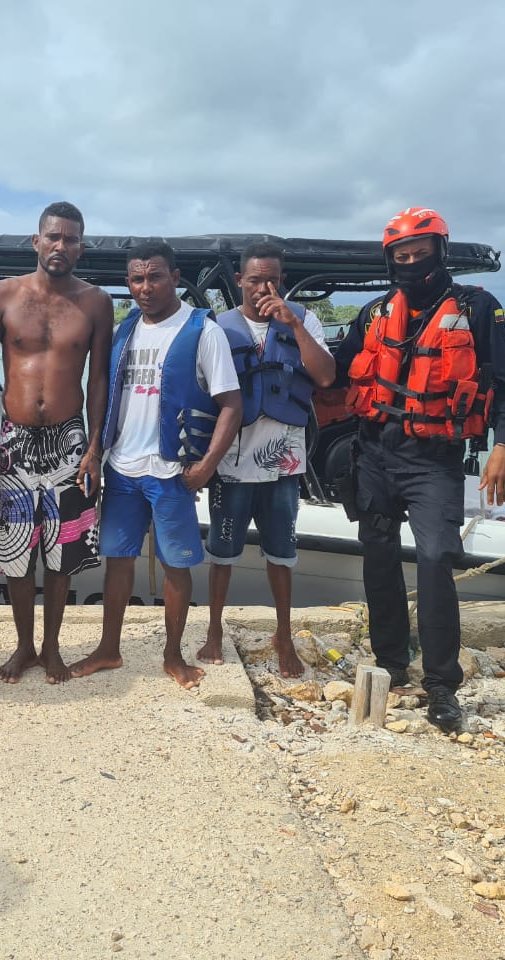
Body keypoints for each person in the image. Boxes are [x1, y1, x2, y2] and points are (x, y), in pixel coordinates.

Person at [334, 207, 505, 733]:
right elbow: (335, 369)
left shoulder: (478, 308)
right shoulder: (374, 313)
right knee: (377, 555)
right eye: (403, 256)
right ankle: (392, 664)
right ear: (390, 260)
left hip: (434, 459)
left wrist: (503, 445)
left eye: (422, 254)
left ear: (440, 253)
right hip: (373, 454)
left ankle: (442, 684)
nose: (412, 263)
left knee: (438, 557)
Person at [71, 241, 242, 690]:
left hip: (171, 471)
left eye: (155, 277)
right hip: (123, 468)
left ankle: (173, 655)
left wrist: (206, 466)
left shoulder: (202, 331)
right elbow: (104, 395)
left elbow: (232, 404)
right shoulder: (126, 330)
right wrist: (94, 451)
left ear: (176, 277)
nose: (144, 288)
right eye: (136, 279)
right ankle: (109, 648)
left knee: (176, 566)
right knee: (118, 561)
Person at [0, 202, 113, 683]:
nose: (61, 246)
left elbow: (98, 382)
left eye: (71, 239)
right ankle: (23, 646)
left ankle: (52, 648)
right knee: (15, 553)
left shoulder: (95, 302)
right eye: (53, 237)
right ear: (36, 241)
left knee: (62, 551)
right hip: (15, 438)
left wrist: (95, 448)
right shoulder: (1, 297)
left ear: (81, 247)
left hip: (71, 439)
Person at [197, 242, 335, 677]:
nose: (263, 288)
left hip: (284, 464)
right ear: (239, 281)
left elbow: (327, 375)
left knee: (282, 554)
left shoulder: (304, 319)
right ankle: (214, 630)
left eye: (272, 279)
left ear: (283, 280)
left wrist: (292, 322)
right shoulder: (216, 327)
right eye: (254, 279)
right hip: (231, 463)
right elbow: (201, 391)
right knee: (222, 554)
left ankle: (283, 634)